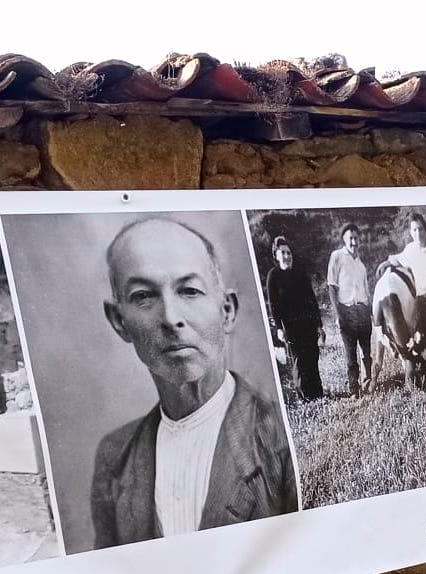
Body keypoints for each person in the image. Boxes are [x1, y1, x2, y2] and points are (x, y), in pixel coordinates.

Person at [91, 216, 299, 549]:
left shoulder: (281, 440)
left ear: (227, 310)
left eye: (189, 291)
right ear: (119, 321)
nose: (171, 318)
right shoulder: (114, 457)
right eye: (143, 296)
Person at [263, 236, 324, 400]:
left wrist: (318, 325)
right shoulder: (273, 276)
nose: (287, 256)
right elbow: (273, 305)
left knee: (312, 358)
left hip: (308, 324)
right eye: (283, 253)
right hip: (291, 328)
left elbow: (312, 300)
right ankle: (305, 397)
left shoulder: (300, 273)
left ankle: (318, 395)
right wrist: (279, 328)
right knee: (299, 362)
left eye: (288, 253)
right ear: (276, 255)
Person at [326, 223, 373, 394]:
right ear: (344, 240)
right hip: (347, 312)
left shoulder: (361, 264)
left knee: (366, 352)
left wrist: (370, 312)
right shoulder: (337, 256)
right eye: (350, 238)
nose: (354, 242)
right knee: (351, 355)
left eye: (356, 238)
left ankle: (368, 381)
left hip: (363, 311)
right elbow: (332, 287)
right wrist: (339, 315)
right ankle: (354, 390)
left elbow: (366, 291)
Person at [381, 212, 426, 301]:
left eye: (420, 229)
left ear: (425, 230)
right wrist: (385, 263)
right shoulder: (410, 249)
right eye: (415, 230)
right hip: (419, 300)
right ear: (411, 232)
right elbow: (398, 259)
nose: (418, 233)